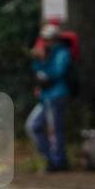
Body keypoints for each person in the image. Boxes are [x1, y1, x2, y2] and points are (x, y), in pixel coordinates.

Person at [26, 23, 72, 172]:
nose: (46, 42)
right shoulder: (45, 53)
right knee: (33, 126)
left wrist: (45, 63)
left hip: (57, 94)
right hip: (45, 97)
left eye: (49, 39)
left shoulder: (62, 53)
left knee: (54, 131)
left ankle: (58, 162)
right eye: (44, 39)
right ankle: (51, 158)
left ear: (55, 39)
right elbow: (37, 71)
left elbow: (57, 72)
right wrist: (39, 59)